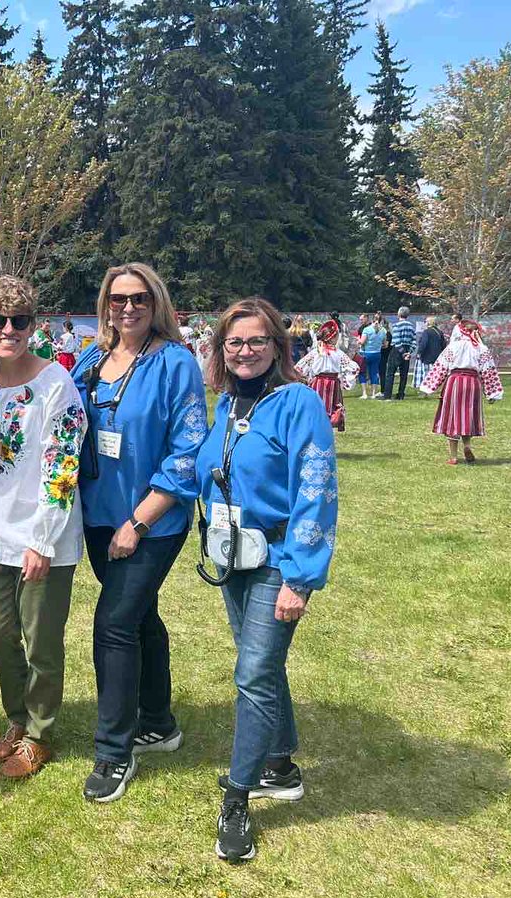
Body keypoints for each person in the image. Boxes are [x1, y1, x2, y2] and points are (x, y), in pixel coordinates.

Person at [196, 296, 338, 863]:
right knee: (263, 664)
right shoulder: (228, 405)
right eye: (234, 342)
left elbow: (317, 491)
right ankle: (279, 763)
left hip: (279, 556)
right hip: (236, 555)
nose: (245, 351)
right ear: (221, 350)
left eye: (257, 341)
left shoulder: (298, 402)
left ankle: (237, 797)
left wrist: (299, 579)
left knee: (253, 672)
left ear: (278, 345)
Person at [71, 262, 208, 803]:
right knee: (141, 616)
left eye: (140, 300)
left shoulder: (176, 363)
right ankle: (158, 721)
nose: (128, 309)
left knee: (114, 623)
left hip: (151, 520)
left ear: (157, 306)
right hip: (98, 513)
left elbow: (188, 452)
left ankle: (113, 751)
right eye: (118, 299)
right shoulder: (91, 359)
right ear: (105, 303)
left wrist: (138, 520)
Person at [0, 276, 87, 779]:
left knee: (41, 643)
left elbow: (62, 466)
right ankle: (16, 718)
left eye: (19, 321)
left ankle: (38, 733)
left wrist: (42, 540)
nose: (8, 330)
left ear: (34, 325)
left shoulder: (56, 384)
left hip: (44, 541)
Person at [420, 320, 504, 464]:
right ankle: (467, 446)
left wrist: (429, 387)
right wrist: (492, 393)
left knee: (453, 417)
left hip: (455, 382)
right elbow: (488, 371)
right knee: (467, 416)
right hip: (473, 383)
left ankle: (453, 456)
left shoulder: (453, 346)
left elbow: (441, 367)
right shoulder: (481, 349)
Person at [294, 320, 358, 431]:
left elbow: (300, 367)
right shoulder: (338, 353)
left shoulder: (316, 352)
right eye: (337, 335)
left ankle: (317, 430)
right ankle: (326, 430)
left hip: (317, 383)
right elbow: (353, 368)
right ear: (332, 337)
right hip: (333, 384)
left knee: (317, 409)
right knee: (330, 410)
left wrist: (306, 379)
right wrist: (344, 381)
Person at [383, 307, 416, 400]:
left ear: (399, 314)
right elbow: (414, 340)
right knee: (404, 374)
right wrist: (409, 352)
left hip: (397, 350)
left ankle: (387, 395)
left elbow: (396, 340)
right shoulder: (411, 326)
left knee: (390, 373)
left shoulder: (396, 326)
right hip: (407, 349)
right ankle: (401, 395)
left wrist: (403, 352)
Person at [413, 316, 445, 392]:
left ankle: (426, 389)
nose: (425, 323)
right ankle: (435, 388)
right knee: (434, 373)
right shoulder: (439, 332)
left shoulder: (426, 332)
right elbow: (443, 344)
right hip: (437, 356)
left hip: (427, 356)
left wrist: (419, 353)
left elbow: (423, 344)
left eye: (426, 321)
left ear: (429, 322)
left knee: (426, 374)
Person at [358, 315, 384, 400]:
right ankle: (373, 393)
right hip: (377, 353)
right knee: (374, 373)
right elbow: (385, 344)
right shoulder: (383, 330)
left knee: (362, 373)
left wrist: (358, 340)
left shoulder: (367, 330)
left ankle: (364, 393)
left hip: (365, 353)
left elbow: (362, 342)